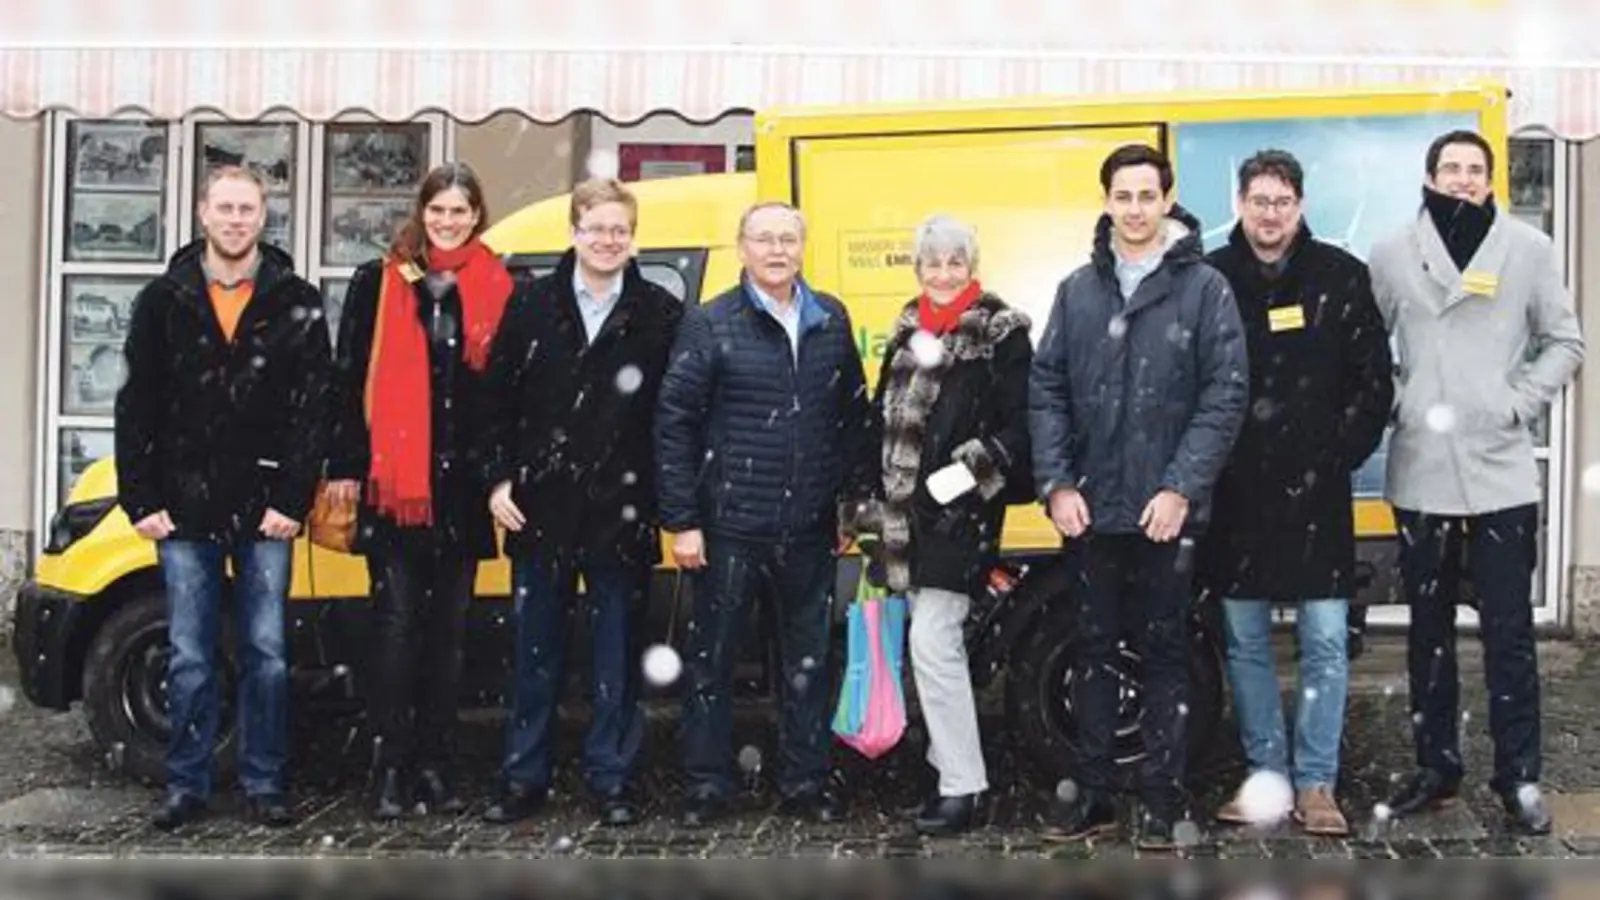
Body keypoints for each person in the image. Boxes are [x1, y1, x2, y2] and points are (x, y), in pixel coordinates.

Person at [1028, 143, 1248, 849]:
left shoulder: (1203, 289)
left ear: (1166, 200)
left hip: (1166, 514)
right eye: (1122, 196)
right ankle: (1092, 791)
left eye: (1146, 195)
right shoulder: (1077, 291)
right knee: (1092, 650)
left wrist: (1181, 487)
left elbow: (1225, 394)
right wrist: (1058, 482)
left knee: (1163, 654)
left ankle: (1161, 795)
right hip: (1090, 510)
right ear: (1107, 202)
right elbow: (1047, 390)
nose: (1134, 209)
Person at [1369, 129, 1584, 835]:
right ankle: (1437, 765)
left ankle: (1519, 775)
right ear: (1430, 176)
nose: (1462, 179)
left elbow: (1565, 342)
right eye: (1450, 168)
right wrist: (1400, 399)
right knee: (1428, 632)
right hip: (1424, 472)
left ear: (1491, 181)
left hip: (1500, 472)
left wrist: (1518, 401)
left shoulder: (1529, 250)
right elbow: (1369, 349)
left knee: (1509, 633)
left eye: (1475, 169)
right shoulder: (1394, 252)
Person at [115, 165, 330, 830]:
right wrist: (140, 495)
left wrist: (294, 498)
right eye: (226, 208)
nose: (237, 220)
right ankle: (187, 784)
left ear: (264, 219)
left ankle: (265, 783)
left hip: (267, 505)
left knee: (266, 651)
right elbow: (136, 405)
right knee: (189, 652)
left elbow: (313, 410)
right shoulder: (164, 300)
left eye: (248, 210)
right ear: (203, 214)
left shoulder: (296, 300)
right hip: (183, 505)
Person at [655, 201, 876, 829]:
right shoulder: (709, 323)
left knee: (808, 663)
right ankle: (706, 784)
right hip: (727, 527)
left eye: (787, 239)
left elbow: (852, 419)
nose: (776, 250)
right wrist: (682, 519)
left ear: (802, 247)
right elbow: (675, 422)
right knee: (713, 663)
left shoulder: (830, 318)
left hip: (809, 530)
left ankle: (805, 781)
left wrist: (849, 506)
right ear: (741, 247)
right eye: (764, 239)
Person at [1200, 149, 1394, 837]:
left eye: (1282, 201)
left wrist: (1336, 455)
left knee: (1324, 643)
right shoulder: (1211, 278)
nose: (1270, 214)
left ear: (1300, 206)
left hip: (1317, 497)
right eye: (1259, 201)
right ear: (1241, 204)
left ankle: (1317, 783)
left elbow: (1376, 384)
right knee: (1246, 643)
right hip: (1235, 497)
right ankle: (1266, 776)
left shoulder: (1340, 276)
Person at [478, 178, 683, 827]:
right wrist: (498, 479)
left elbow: (669, 417)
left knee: (616, 658)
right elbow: (496, 404)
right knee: (534, 655)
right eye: (595, 228)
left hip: (622, 507)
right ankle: (523, 777)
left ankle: (612, 780)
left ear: (633, 237)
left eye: (618, 229)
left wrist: (663, 498)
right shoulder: (531, 305)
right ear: (573, 232)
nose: (606, 240)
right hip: (541, 504)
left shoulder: (657, 311)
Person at [323, 162, 511, 820]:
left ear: (477, 215)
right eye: (439, 211)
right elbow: (346, 380)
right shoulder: (380, 280)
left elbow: (499, 399)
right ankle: (389, 767)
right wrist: (345, 461)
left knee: (448, 638)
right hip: (392, 484)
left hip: (461, 488)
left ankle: (436, 765)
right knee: (397, 631)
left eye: (460, 211)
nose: (449, 221)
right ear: (422, 213)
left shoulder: (496, 283)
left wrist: (499, 474)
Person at [851, 214, 1033, 836]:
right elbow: (883, 421)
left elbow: (1019, 429)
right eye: (933, 262)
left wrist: (956, 480)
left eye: (956, 262)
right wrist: (868, 504)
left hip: (962, 518)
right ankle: (941, 771)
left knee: (934, 642)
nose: (944, 272)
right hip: (904, 523)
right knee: (928, 648)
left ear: (971, 266)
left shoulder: (1000, 332)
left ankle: (963, 787)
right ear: (918, 268)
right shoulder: (907, 329)